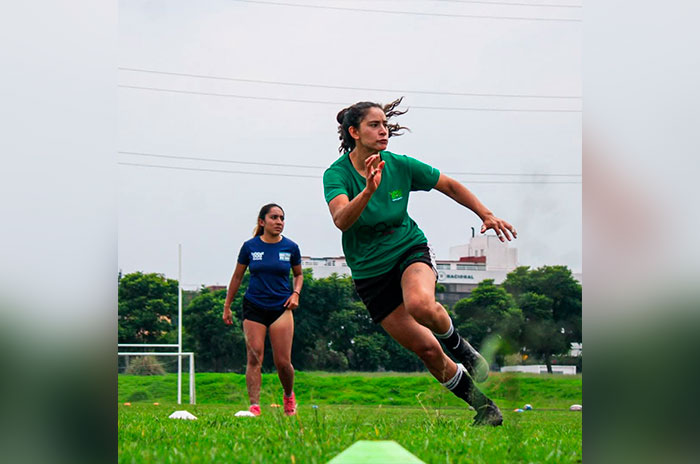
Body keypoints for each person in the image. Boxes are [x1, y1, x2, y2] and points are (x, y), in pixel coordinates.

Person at [323, 98, 517, 426]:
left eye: (385, 124)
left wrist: (486, 214)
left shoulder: (400, 165)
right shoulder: (336, 174)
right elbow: (342, 219)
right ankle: (484, 408)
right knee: (427, 351)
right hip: (371, 274)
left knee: (420, 304)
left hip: (408, 250)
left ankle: (465, 351)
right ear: (354, 132)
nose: (383, 130)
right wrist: (369, 190)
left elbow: (449, 185)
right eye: (374, 125)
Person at [222, 203, 303, 416]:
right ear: (262, 221)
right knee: (254, 356)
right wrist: (227, 305)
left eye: (282, 218)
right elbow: (237, 276)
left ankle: (288, 396)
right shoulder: (250, 247)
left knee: (283, 362)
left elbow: (299, 275)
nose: (279, 222)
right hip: (254, 306)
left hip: (281, 308)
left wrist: (296, 293)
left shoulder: (291, 247)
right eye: (274, 217)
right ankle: (254, 406)